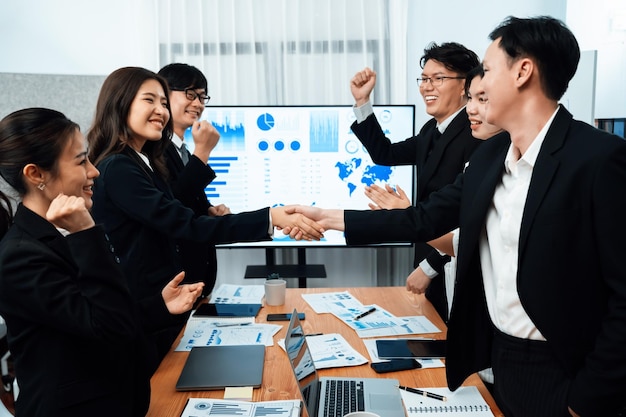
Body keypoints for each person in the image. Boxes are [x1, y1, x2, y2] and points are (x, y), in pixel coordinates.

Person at [289, 16, 626, 416]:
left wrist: (586, 401)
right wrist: (327, 217)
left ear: (523, 71)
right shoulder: (488, 158)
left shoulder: (598, 159)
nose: (476, 86)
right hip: (500, 363)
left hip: (565, 375)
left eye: (486, 69)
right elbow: (421, 220)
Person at [87, 67, 323, 366]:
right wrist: (270, 218)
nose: (160, 110)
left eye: (162, 102)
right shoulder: (119, 167)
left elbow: (177, 215)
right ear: (120, 104)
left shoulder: (142, 162)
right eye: (150, 100)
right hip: (147, 309)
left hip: (165, 305)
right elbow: (185, 224)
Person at [0, 108, 203, 416]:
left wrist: (158, 306)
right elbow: (109, 327)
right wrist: (86, 233)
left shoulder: (64, 231)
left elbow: (98, 310)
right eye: (82, 161)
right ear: (36, 174)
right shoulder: (21, 254)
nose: (94, 171)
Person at [350, 42, 481, 321]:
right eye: (424, 79)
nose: (426, 87)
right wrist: (363, 102)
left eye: (438, 78)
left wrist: (429, 266)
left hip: (452, 267)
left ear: (464, 87)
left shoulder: (476, 134)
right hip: (429, 258)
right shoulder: (432, 130)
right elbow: (384, 153)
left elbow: (472, 220)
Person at [158, 63, 228, 297]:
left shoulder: (183, 150)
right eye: (190, 94)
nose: (198, 104)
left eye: (202, 97)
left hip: (197, 279)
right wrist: (203, 152)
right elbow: (169, 209)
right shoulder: (153, 151)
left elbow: (184, 199)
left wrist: (207, 211)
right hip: (173, 284)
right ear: (163, 95)